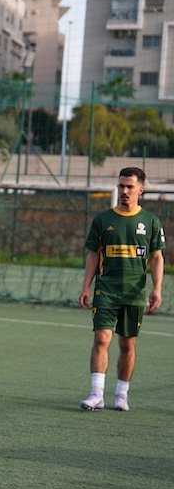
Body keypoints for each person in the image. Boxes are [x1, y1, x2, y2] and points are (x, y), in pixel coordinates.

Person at [78, 167, 165, 412]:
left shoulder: (150, 222)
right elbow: (93, 255)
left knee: (127, 344)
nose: (124, 191)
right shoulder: (103, 220)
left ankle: (121, 394)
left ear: (141, 190)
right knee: (101, 338)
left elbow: (157, 257)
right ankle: (96, 394)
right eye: (121, 186)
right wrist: (86, 286)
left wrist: (157, 289)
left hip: (134, 293)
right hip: (106, 290)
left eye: (129, 186)